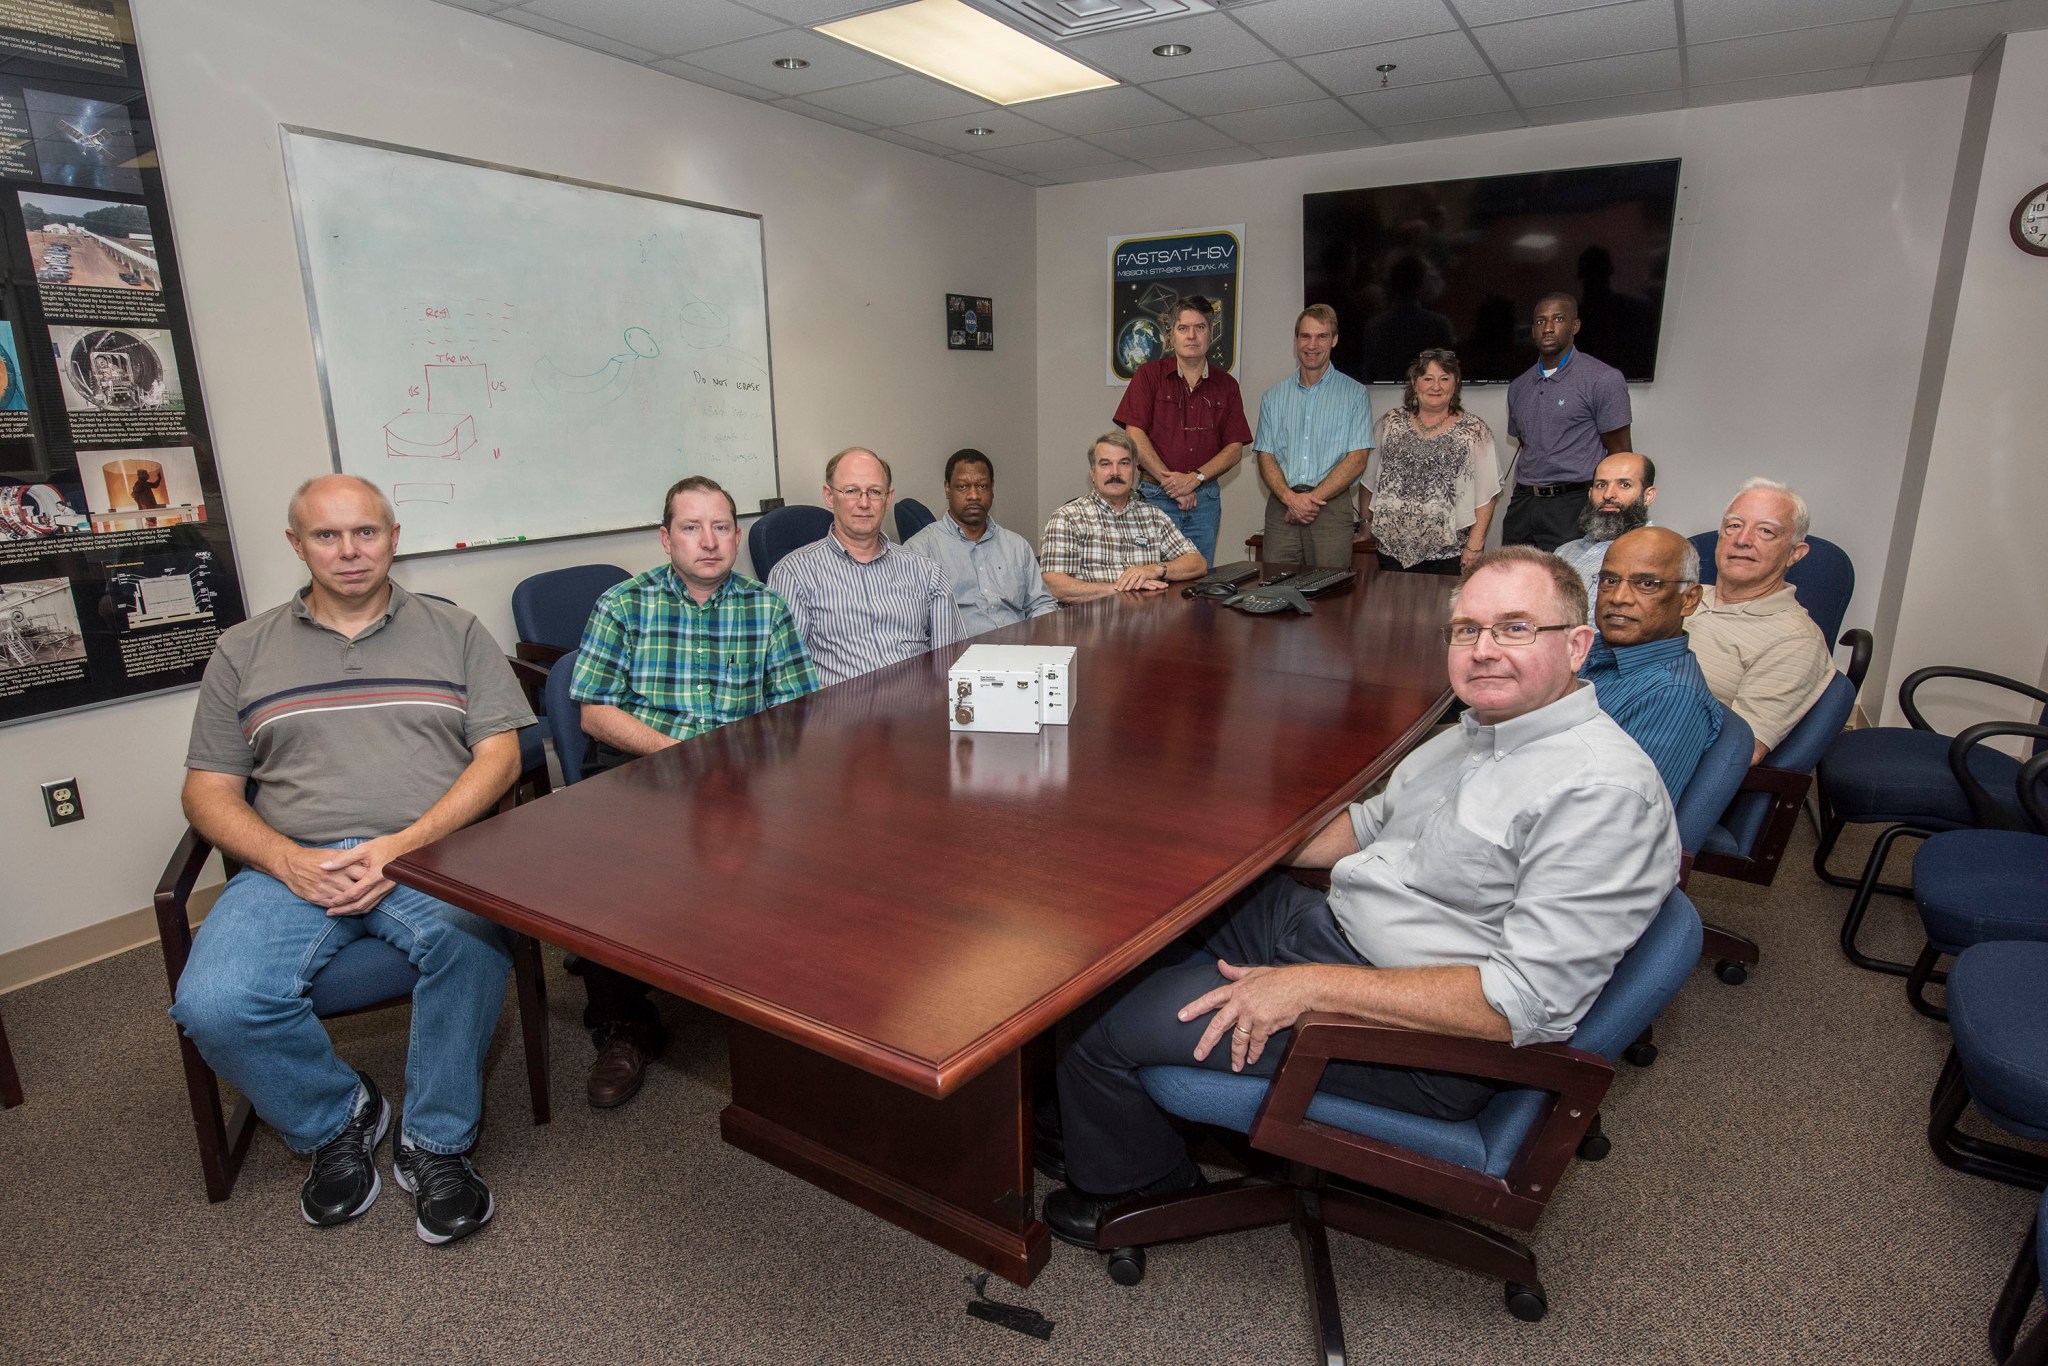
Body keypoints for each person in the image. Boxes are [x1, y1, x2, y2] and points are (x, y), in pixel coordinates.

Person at [1042, 547, 1679, 1244]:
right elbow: (1364, 825)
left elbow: (1521, 1004)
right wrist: (1226, 839)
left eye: (1516, 628)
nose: (1484, 650)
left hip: (1419, 1034)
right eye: (1467, 630)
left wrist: (1305, 988)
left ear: (1578, 646)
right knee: (1127, 922)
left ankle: (1142, 1189)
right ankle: (1089, 1117)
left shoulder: (1600, 793)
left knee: (1100, 1023)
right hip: (1334, 928)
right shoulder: (1476, 734)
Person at [170, 474, 531, 1245]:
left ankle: (436, 1142)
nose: (349, 550)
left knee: (473, 943)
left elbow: (499, 759)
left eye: (365, 532)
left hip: (429, 850)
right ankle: (337, 1116)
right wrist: (288, 859)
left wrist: (403, 848)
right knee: (214, 1003)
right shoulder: (243, 649)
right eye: (327, 536)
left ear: (394, 536)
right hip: (291, 862)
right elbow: (206, 793)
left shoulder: (457, 631)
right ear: (296, 546)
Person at [567, 475, 820, 1106]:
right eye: (691, 527)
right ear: (665, 538)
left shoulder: (766, 607)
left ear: (737, 535)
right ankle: (625, 1022)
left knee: (806, 853)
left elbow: (798, 711)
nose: (708, 542)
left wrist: (746, 770)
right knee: (603, 877)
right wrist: (683, 754)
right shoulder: (623, 605)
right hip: (643, 772)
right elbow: (594, 713)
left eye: (721, 527)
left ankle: (782, 1006)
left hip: (742, 777)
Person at [767, 447, 963, 685]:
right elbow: (787, 676)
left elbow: (951, 665)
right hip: (839, 715)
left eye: (874, 492)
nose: (864, 503)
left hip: (917, 711)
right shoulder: (793, 574)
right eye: (851, 491)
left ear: (888, 498)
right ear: (829, 496)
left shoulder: (927, 572)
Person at [1684, 478, 1833, 764]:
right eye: (1734, 526)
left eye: (1766, 531)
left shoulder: (1796, 641)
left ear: (1794, 554)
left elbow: (1736, 754)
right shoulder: (1682, 595)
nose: (1742, 540)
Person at [1112, 294, 1253, 566]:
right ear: (1171, 335)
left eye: (1200, 327)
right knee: (1151, 581)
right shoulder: (1148, 376)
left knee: (1200, 580)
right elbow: (1134, 435)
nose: (1191, 335)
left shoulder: (1227, 385)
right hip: (1155, 498)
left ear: (1211, 333)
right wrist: (1174, 484)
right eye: (1183, 328)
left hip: (1205, 502)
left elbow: (1235, 448)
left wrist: (1195, 479)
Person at [1582, 527, 1721, 798]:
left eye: (1647, 584)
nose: (1618, 597)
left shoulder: (1672, 696)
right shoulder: (1592, 649)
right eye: (1609, 580)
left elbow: (1621, 815)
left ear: (1689, 600)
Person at [1502, 292, 1633, 552]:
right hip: (1523, 503)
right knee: (1512, 582)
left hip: (1573, 505)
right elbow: (1527, 442)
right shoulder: (1518, 387)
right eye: (1540, 321)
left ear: (1575, 326)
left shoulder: (1603, 379)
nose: (1548, 328)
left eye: (1558, 319)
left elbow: (1620, 454)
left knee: (1566, 587)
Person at [1252, 305, 1375, 568]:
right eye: (1305, 336)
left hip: (1330, 509)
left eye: (1321, 336)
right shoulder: (1273, 397)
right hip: (1282, 507)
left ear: (1334, 340)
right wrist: (1290, 499)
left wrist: (1311, 499)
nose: (1312, 344)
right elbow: (1265, 456)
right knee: (1276, 589)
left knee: (1330, 593)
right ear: (1296, 340)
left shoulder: (1354, 394)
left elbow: (1357, 459)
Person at [1361, 348, 1500, 575]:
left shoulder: (1475, 431)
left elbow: (1488, 494)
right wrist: (1366, 523)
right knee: (1388, 611)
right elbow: (1368, 480)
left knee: (1438, 612)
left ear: (1455, 384)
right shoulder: (1389, 423)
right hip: (1390, 552)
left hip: (1447, 556)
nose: (1436, 387)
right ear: (1415, 383)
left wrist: (1474, 547)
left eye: (1444, 379)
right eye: (1428, 379)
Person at [904, 448, 1059, 635]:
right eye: (962, 487)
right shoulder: (920, 551)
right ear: (947, 488)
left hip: (1019, 652)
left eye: (982, 486)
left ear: (992, 488)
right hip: (959, 657)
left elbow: (1041, 603)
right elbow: (911, 622)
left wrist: (1036, 643)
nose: (974, 496)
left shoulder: (1017, 546)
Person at [1040, 432, 1208, 603]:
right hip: (1090, 624)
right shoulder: (1067, 518)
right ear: (1092, 473)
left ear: (1135, 471)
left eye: (1124, 463)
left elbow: (1198, 563)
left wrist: (1156, 569)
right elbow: (1054, 586)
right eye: (1105, 464)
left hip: (1148, 623)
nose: (1115, 472)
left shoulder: (1153, 516)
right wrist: (1120, 590)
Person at [1552, 452, 1658, 597]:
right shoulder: (1563, 552)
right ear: (1590, 494)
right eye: (1601, 485)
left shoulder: (1659, 555)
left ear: (1648, 496)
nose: (1608, 494)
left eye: (1624, 485)